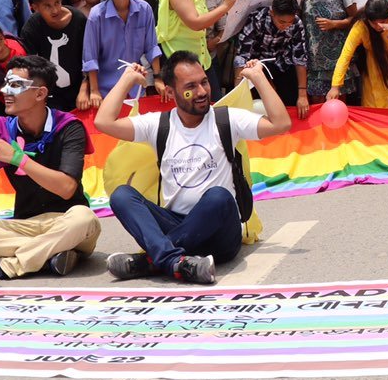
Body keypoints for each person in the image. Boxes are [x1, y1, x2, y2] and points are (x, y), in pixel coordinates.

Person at [97, 52, 292, 284]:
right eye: (190, 87)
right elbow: (103, 122)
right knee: (122, 195)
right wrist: (126, 80)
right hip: (177, 222)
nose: (201, 92)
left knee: (218, 196)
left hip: (221, 233)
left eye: (204, 82)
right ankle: (177, 262)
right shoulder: (158, 124)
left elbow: (281, 123)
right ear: (170, 92)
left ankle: (152, 260)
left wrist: (258, 78)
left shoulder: (227, 119)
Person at [0, 56, 101, 283]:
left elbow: (67, 189)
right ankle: (50, 256)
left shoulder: (69, 127)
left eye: (15, 85)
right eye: (6, 83)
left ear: (40, 94)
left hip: (67, 221)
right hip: (25, 225)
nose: (4, 91)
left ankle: (7, 266)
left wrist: (18, 159)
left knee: (85, 219)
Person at [158, 0, 237, 96]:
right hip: (181, 62)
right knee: (192, 104)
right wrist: (225, 6)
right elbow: (195, 23)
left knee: (213, 102)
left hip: (202, 59)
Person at [84, 0, 164, 106]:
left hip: (136, 86)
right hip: (106, 88)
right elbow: (90, 56)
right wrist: (94, 91)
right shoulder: (97, 15)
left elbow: (151, 47)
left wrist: (158, 78)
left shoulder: (144, 9)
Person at [327, 0, 388, 109]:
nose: (379, 27)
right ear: (368, 19)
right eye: (374, 23)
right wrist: (335, 86)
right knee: (374, 100)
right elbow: (345, 55)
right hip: (373, 67)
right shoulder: (360, 26)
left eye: (383, 22)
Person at [20, 0, 89, 112]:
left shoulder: (79, 19)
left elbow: (89, 57)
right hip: (50, 94)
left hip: (81, 89)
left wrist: (85, 88)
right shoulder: (31, 29)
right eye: (47, 6)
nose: (55, 10)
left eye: (57, 2)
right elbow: (31, 68)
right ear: (35, 7)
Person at [234, 0, 309, 115]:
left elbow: (300, 58)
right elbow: (242, 56)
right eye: (282, 22)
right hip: (257, 66)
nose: (286, 26)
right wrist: (238, 91)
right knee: (261, 107)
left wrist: (302, 94)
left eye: (289, 22)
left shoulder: (297, 23)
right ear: (272, 13)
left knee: (291, 103)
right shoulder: (257, 19)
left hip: (283, 64)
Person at [301, 0, 360, 103]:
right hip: (313, 62)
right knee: (316, 105)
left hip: (339, 61)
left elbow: (355, 19)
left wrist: (335, 24)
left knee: (338, 104)